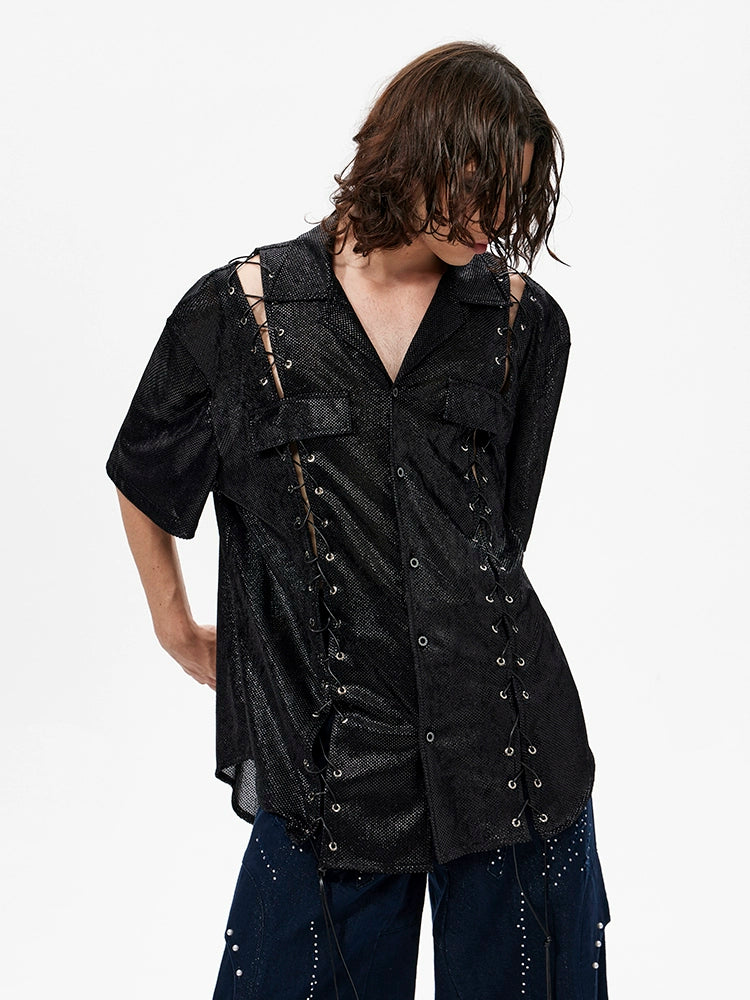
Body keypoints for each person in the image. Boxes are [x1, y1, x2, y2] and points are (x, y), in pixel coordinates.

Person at [106, 39, 612, 1000]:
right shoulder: (245, 310)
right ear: (411, 147)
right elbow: (145, 469)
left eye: (512, 195)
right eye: (476, 184)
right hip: (329, 761)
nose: (492, 219)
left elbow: (492, 541)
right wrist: (174, 625)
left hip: (509, 749)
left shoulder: (523, 322)